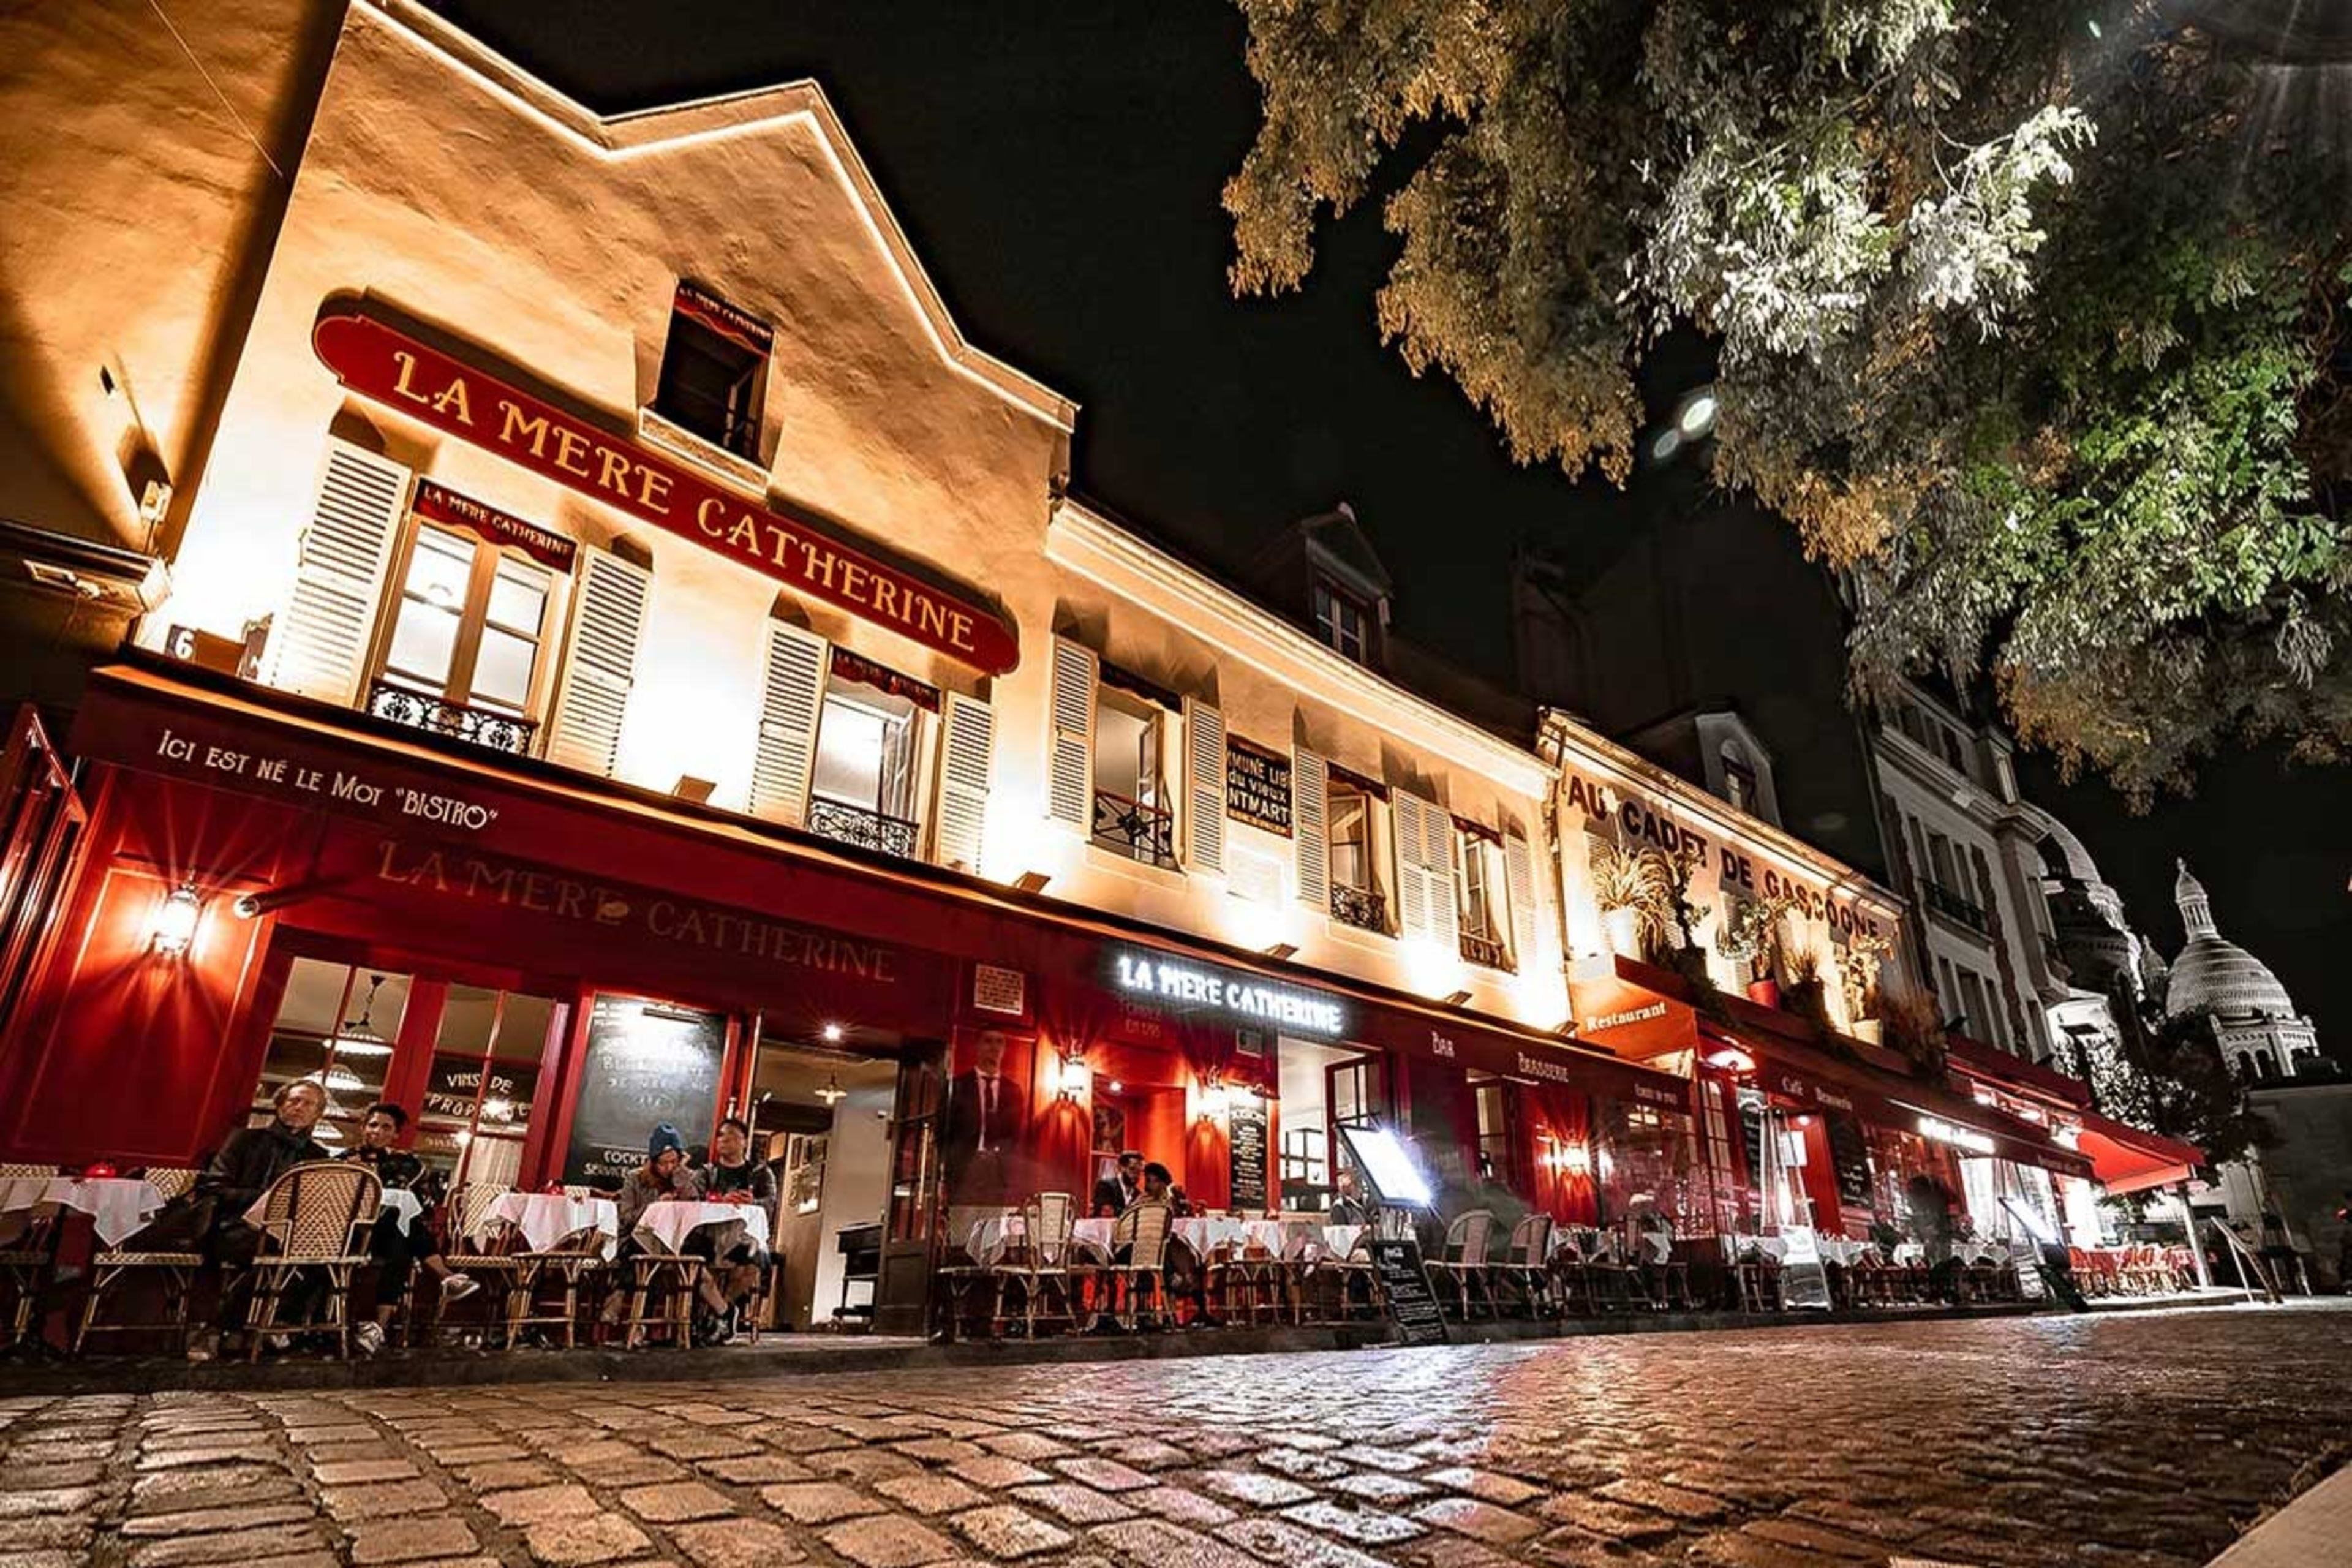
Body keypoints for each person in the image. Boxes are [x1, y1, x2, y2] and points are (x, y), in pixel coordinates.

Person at [193, 1080, 336, 1349]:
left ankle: (275, 1323)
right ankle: (224, 1328)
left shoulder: (318, 1155)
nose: (299, 1107)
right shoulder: (245, 1139)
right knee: (277, 1249)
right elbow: (214, 1187)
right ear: (280, 1105)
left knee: (324, 1255)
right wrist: (267, 1198)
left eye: (309, 1104)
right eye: (294, 1100)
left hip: (288, 1235)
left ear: (318, 1114)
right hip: (236, 1226)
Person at [338, 1103, 479, 1354]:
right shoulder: (344, 1160)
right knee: (400, 1228)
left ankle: (377, 1328)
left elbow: (421, 1203)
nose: (378, 1132)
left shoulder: (407, 1163)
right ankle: (445, 1276)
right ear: (363, 1128)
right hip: (350, 1235)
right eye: (373, 1125)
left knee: (399, 1239)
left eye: (386, 1127)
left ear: (395, 1134)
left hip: (386, 1237)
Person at [600, 1123, 700, 1330]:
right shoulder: (635, 1178)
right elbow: (626, 1218)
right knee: (646, 1255)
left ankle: (620, 1303)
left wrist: (681, 1176)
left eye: (674, 1162)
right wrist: (654, 1207)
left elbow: (696, 1208)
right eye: (663, 1163)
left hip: (674, 1243)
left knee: (655, 1259)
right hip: (636, 1239)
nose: (669, 1168)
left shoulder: (686, 1179)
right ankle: (637, 1322)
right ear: (653, 1161)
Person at [696, 1115, 776, 1343]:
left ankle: (718, 1313)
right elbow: (693, 1200)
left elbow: (770, 1204)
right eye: (721, 1136)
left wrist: (752, 1202)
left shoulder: (760, 1173)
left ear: (744, 1142)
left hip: (744, 1235)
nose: (724, 1140)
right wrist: (719, 1200)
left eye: (731, 1136)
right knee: (693, 1264)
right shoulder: (707, 1172)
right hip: (709, 1236)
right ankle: (725, 1313)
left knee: (754, 1261)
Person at [941, 1030, 1025, 1202]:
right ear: (977, 1046)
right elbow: (942, 1132)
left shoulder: (1013, 1091)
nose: (994, 1047)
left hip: (998, 1169)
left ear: (1004, 1050)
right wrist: (947, 1167)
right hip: (964, 1167)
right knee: (962, 1217)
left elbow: (1015, 1136)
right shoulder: (958, 1086)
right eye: (988, 1041)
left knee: (994, 1217)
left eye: (999, 1042)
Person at [1905, 1174, 1959, 1303]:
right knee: (1938, 1261)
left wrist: (1929, 1228)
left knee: (1939, 1262)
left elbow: (1950, 1205)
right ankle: (1941, 1290)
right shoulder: (1936, 1193)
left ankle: (1940, 1290)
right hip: (1938, 1232)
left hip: (1938, 1232)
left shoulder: (1933, 1194)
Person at [1092, 1150, 1143, 1217]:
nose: (1136, 1175)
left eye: (1139, 1171)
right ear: (1122, 1168)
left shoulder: (1138, 1194)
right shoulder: (1105, 1186)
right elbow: (1106, 1212)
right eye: (1132, 1169)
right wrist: (1132, 1213)